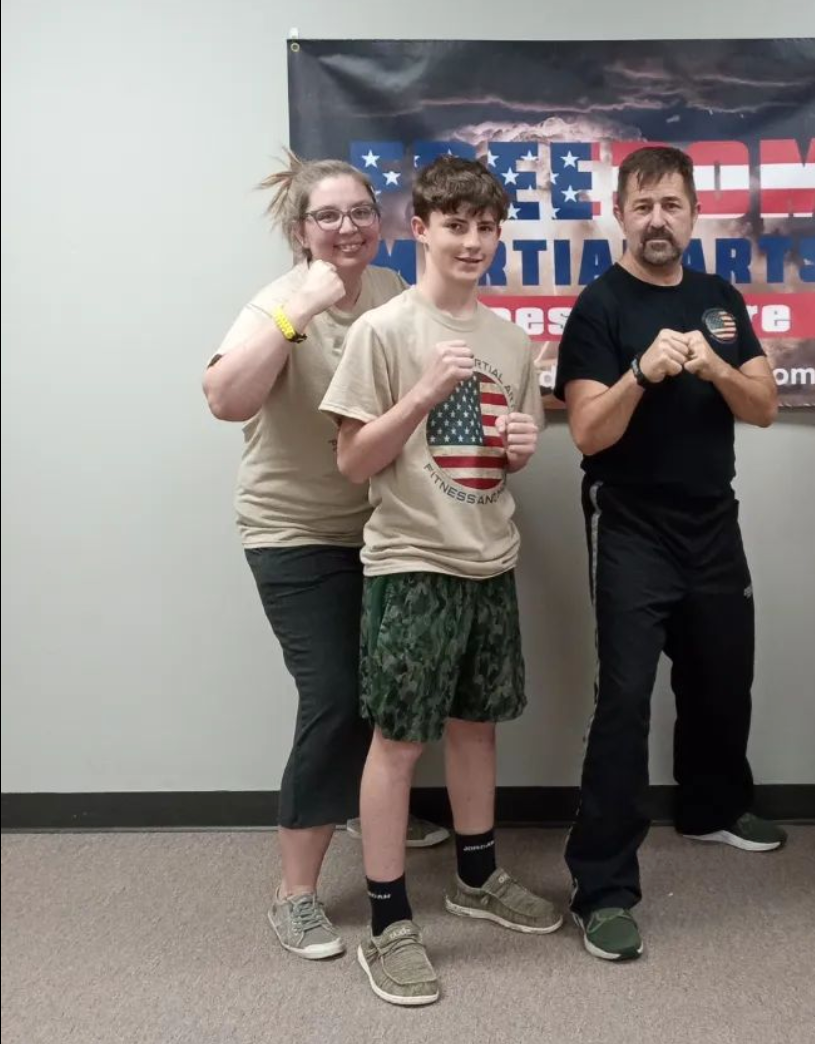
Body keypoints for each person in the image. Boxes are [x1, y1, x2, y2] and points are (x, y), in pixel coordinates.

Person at [320, 155, 559, 1007]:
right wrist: (421, 393)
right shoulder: (384, 331)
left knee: (476, 727)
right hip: (412, 562)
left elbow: (492, 461)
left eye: (486, 226)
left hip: (489, 557)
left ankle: (477, 874)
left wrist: (520, 451)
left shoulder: (514, 340)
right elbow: (353, 460)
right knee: (398, 741)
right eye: (455, 225)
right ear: (420, 229)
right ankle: (387, 921)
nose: (473, 241)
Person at [203, 152, 447, 963]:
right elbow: (224, 400)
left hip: (380, 526)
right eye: (328, 217)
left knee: (384, 685)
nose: (348, 228)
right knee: (336, 695)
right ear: (300, 231)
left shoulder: (391, 295)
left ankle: (367, 806)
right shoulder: (277, 301)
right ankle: (295, 895)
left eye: (359, 212)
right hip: (293, 531)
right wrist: (294, 313)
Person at [554, 145, 785, 962]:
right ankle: (602, 886)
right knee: (624, 698)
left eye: (673, 205)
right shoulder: (600, 307)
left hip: (713, 520)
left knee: (724, 674)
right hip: (630, 524)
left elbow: (762, 406)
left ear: (693, 215)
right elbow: (586, 431)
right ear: (620, 212)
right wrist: (642, 374)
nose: (659, 219)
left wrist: (716, 364)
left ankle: (713, 806)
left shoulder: (719, 299)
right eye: (643, 204)